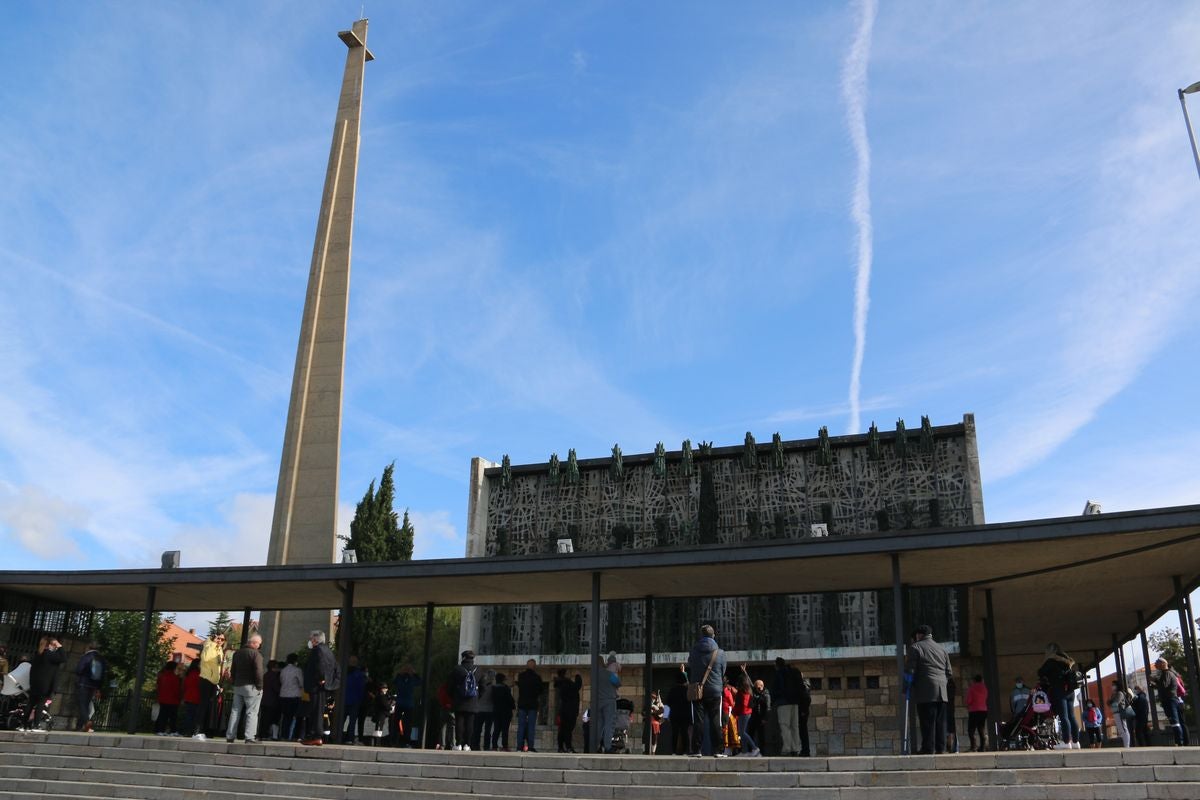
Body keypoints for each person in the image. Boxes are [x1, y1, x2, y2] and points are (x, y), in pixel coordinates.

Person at [905, 624, 953, 755]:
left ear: (919, 635)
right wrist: (942, 682)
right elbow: (949, 672)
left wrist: (906, 687)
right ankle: (941, 748)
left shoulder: (915, 647)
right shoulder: (942, 649)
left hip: (926, 691)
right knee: (940, 722)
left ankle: (928, 748)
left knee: (927, 721)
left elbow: (910, 670)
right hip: (942, 692)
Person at [686, 624, 726, 757]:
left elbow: (690, 666)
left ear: (701, 636)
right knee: (716, 719)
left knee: (698, 720)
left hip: (698, 690)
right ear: (713, 636)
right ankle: (718, 750)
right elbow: (722, 671)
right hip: (715, 691)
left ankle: (697, 750)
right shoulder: (720, 653)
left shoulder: (693, 651)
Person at [1037, 642, 1080, 750]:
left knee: (1063, 716)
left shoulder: (1051, 661)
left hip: (1059, 691)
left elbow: (1041, 672)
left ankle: (1066, 742)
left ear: (1051, 650)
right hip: (1070, 691)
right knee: (1072, 716)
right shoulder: (1067, 661)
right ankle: (1076, 742)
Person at [301, 630, 338, 746]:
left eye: (311, 638)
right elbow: (334, 667)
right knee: (318, 710)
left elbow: (320, 666)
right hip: (323, 686)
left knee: (315, 711)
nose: (310, 641)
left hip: (316, 686)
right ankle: (315, 735)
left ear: (315, 639)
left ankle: (316, 735)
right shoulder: (328, 651)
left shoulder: (317, 650)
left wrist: (321, 678)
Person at [226, 632, 264, 743]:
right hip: (251, 687)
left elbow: (233, 670)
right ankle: (249, 737)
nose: (259, 646)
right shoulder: (256, 655)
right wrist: (260, 686)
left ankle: (230, 735)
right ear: (255, 643)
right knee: (252, 712)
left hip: (238, 686)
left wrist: (235, 681)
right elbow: (259, 672)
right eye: (259, 644)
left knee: (235, 711)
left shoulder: (237, 653)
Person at [26, 635, 65, 729]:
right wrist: (60, 646)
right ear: (50, 645)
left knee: (30, 704)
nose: (55, 647)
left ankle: (24, 724)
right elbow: (63, 658)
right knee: (40, 705)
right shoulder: (49, 654)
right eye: (54, 645)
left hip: (34, 684)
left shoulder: (38, 654)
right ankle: (36, 725)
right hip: (44, 685)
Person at [197, 631, 226, 739]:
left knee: (211, 707)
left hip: (215, 681)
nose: (220, 641)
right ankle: (198, 730)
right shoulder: (209, 646)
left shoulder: (220, 650)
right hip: (206, 678)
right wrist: (213, 642)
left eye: (222, 640)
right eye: (218, 638)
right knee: (203, 705)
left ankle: (208, 730)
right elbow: (205, 658)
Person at [450, 649, 480, 750]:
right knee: (470, 723)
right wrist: (477, 697)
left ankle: (458, 744)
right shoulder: (478, 670)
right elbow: (483, 686)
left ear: (463, 657)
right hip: (472, 700)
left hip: (459, 700)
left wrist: (453, 696)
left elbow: (450, 685)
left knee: (459, 722)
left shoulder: (457, 669)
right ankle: (467, 744)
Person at [1152, 658, 1186, 746]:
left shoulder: (1166, 673)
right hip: (1172, 699)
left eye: (1157, 663)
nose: (1155, 665)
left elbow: (1164, 685)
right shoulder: (1168, 673)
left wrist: (1155, 680)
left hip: (1170, 700)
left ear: (1163, 663)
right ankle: (1179, 741)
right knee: (1175, 721)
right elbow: (1164, 685)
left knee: (1174, 721)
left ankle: (1179, 741)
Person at [74, 642, 106, 732]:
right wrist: (98, 688)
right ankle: (80, 726)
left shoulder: (86, 657)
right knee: (86, 704)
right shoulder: (101, 659)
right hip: (94, 685)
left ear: (89, 647)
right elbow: (103, 675)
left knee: (82, 704)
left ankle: (87, 721)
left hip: (83, 683)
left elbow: (79, 670)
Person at [516, 658, 544, 752]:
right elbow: (541, 690)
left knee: (521, 726)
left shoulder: (521, 676)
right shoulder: (537, 677)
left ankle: (519, 746)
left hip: (522, 704)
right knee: (531, 726)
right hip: (532, 704)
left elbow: (520, 686)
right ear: (534, 666)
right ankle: (530, 746)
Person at [391, 664, 422, 748]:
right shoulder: (412, 680)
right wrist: (415, 673)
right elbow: (420, 681)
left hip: (400, 703)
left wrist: (399, 673)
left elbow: (393, 682)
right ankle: (406, 741)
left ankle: (395, 739)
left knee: (396, 722)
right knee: (408, 724)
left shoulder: (399, 678)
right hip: (409, 704)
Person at [732, 666, 760, 757]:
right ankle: (744, 751)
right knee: (742, 732)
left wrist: (734, 712)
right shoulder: (749, 691)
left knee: (743, 732)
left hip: (743, 713)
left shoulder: (742, 693)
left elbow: (741, 705)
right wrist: (744, 672)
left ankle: (754, 748)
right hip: (746, 713)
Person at [595, 654, 621, 753]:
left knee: (599, 725)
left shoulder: (594, 674)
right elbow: (618, 683)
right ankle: (607, 746)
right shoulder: (608, 674)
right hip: (609, 701)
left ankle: (595, 745)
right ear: (603, 663)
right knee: (609, 724)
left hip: (598, 702)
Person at [553, 667, 582, 753]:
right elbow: (577, 686)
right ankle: (568, 746)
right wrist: (578, 675)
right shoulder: (566, 683)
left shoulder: (561, 683)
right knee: (567, 729)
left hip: (564, 710)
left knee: (563, 729)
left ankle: (561, 747)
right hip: (569, 710)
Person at [665, 670, 692, 756]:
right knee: (685, 733)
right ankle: (685, 751)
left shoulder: (672, 690)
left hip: (674, 715)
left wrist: (665, 716)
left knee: (674, 733)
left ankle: (673, 751)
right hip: (685, 715)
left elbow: (667, 703)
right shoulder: (687, 690)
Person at [278, 653, 304, 741]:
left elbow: (281, 681)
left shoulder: (283, 670)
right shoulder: (297, 670)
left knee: (286, 717)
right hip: (294, 695)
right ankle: (294, 736)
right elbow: (301, 683)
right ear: (295, 661)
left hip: (283, 695)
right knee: (296, 716)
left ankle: (284, 735)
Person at [343, 656, 367, 744]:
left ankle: (338, 736)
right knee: (352, 721)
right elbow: (361, 688)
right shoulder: (360, 674)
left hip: (345, 699)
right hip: (355, 700)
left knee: (342, 720)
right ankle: (349, 738)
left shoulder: (344, 672)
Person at [154, 661, 182, 736]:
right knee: (173, 717)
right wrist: (179, 698)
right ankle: (173, 730)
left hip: (163, 699)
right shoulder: (174, 677)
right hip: (172, 700)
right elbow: (177, 690)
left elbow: (158, 687)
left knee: (163, 715)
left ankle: (160, 730)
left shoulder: (162, 676)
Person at [491, 672, 515, 751]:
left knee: (496, 729)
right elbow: (510, 700)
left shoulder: (493, 688)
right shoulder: (505, 688)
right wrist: (513, 707)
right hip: (505, 712)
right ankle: (505, 746)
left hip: (496, 711)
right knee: (505, 730)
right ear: (503, 680)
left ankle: (494, 745)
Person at [965, 674, 988, 752]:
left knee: (971, 730)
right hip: (983, 710)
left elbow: (969, 700)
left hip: (974, 711)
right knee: (981, 729)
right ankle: (982, 747)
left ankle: (973, 746)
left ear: (974, 680)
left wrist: (968, 705)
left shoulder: (972, 688)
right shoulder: (984, 688)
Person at [748, 678, 771, 756]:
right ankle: (750, 750)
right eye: (756, 687)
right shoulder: (754, 691)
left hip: (761, 718)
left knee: (761, 736)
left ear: (762, 686)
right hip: (754, 716)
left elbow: (768, 707)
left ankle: (762, 752)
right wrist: (744, 672)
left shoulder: (766, 694)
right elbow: (750, 682)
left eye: (760, 687)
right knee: (750, 733)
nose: (758, 688)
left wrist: (765, 718)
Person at [473, 669, 495, 750]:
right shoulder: (493, 687)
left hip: (479, 710)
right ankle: (486, 746)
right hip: (489, 710)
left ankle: (475, 745)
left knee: (477, 729)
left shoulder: (479, 686)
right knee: (487, 731)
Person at [260, 660, 282, 741]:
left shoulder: (265, 675)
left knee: (263, 718)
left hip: (264, 699)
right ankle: (267, 734)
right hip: (272, 701)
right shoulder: (275, 676)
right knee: (271, 719)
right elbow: (276, 688)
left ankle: (262, 733)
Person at [181, 660, 203, 737]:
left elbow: (184, 686)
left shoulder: (188, 674)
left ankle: (187, 731)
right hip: (196, 697)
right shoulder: (199, 675)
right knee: (194, 716)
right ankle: (193, 731)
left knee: (189, 715)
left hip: (188, 697)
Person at [1108, 680, 1131, 749]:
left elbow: (1115, 703)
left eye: (1113, 685)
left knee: (1124, 729)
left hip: (1120, 712)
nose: (1112, 686)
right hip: (1116, 713)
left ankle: (1127, 746)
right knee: (1121, 730)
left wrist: (1111, 702)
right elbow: (1110, 703)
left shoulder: (1119, 693)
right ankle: (1126, 745)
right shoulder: (1114, 694)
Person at [649, 689, 665, 754]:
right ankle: (645, 751)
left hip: (655, 723)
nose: (653, 698)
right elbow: (643, 712)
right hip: (648, 722)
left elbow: (663, 711)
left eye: (654, 697)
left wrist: (655, 712)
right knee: (646, 737)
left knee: (654, 738)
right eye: (651, 697)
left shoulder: (659, 704)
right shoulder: (648, 704)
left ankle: (653, 751)